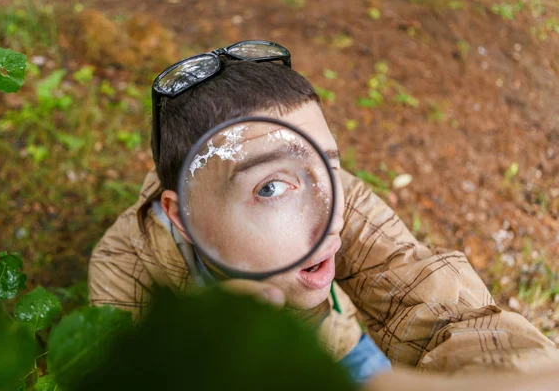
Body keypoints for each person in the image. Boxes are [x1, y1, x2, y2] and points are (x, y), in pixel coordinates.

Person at [88, 40, 559, 384]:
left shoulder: (346, 201)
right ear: (184, 218)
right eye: (271, 187)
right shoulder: (124, 267)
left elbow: (454, 317)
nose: (332, 220)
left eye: (328, 166)